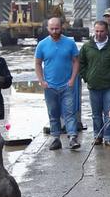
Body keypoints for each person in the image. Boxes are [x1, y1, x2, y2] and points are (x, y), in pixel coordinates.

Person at [35, 16, 81, 151]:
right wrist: (41, 81)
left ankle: (72, 137)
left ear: (62, 28)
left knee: (70, 112)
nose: (54, 31)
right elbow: (37, 64)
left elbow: (76, 61)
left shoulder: (70, 43)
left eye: (57, 28)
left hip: (67, 85)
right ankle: (56, 138)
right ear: (47, 29)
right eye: (52, 29)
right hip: (50, 86)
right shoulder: (42, 45)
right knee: (53, 113)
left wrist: (73, 79)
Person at [78, 20, 110, 145]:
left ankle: (109, 138)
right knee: (96, 114)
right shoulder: (86, 47)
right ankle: (97, 136)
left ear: (107, 31)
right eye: (97, 31)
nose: (99, 34)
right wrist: (87, 77)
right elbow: (81, 63)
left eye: (102, 31)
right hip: (93, 85)